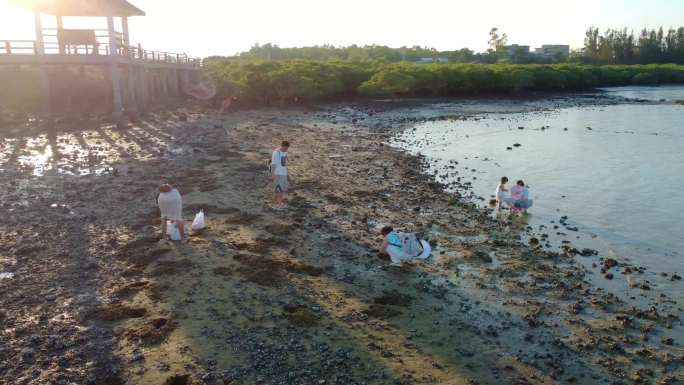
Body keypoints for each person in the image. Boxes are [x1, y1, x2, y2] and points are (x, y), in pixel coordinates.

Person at [270, 140, 290, 210]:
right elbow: (273, 164)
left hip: (283, 174)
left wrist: (287, 173)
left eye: (287, 148)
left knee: (282, 190)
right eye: (285, 148)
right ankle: (275, 204)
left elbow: (285, 164)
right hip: (278, 174)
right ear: (282, 146)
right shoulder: (276, 153)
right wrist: (272, 174)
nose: (286, 149)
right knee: (277, 190)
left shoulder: (285, 152)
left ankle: (280, 203)